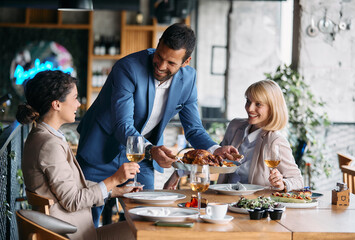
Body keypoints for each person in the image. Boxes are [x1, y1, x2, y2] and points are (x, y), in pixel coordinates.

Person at [76, 23, 239, 225]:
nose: (161, 66)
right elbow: (122, 124)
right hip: (102, 150)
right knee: (85, 220)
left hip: (141, 157)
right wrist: (151, 150)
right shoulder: (128, 68)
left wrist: (215, 149)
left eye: (171, 62)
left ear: (186, 61)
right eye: (159, 56)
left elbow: (194, 129)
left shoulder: (188, 80)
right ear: (158, 44)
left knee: (147, 217)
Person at [17, 70, 140, 240]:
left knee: (139, 229)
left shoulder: (41, 136)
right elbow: (72, 200)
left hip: (75, 232)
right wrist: (114, 179)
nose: (78, 105)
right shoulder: (49, 144)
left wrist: (115, 191)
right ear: (56, 104)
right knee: (142, 232)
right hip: (73, 235)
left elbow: (72, 186)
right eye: (74, 98)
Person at [217, 80, 304, 192]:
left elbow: (298, 180)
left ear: (272, 108)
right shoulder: (235, 126)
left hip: (253, 204)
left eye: (258, 104)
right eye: (248, 101)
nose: (249, 108)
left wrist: (283, 183)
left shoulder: (276, 141)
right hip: (223, 197)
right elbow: (217, 160)